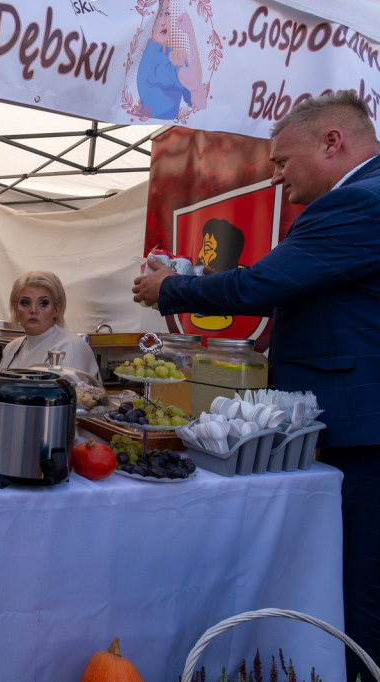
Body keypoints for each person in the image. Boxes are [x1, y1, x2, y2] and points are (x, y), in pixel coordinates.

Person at [132, 90, 380, 681]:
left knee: (361, 589)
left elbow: (258, 285)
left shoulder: (360, 203)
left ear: (331, 142)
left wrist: (169, 289)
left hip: (363, 431)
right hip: (356, 421)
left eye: (281, 161)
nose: (274, 177)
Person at [0, 271, 100, 378]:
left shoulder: (70, 346)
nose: (33, 310)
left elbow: (60, 393)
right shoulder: (11, 348)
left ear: (56, 309)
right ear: (15, 308)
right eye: (25, 303)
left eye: (43, 303)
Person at [137, 0, 208, 119]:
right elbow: (197, 90)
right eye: (158, 15)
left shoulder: (169, 53)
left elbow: (198, 99)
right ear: (150, 23)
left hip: (166, 124)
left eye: (167, 14)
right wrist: (190, 33)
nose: (164, 22)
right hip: (153, 125)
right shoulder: (154, 60)